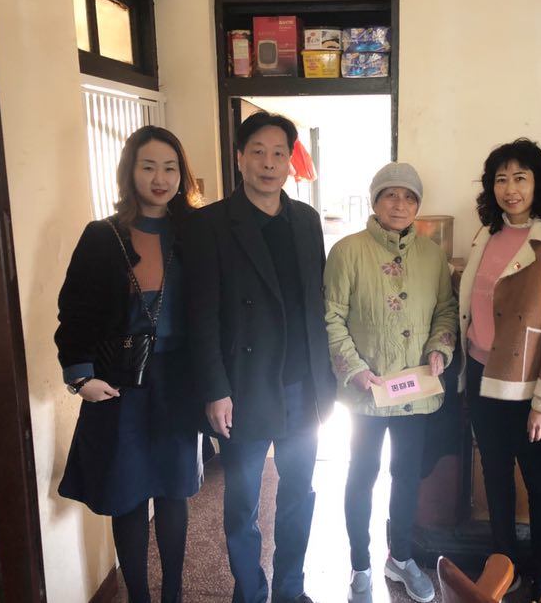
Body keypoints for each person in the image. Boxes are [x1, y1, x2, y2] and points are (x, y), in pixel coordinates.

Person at [181, 111, 335, 603]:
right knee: (243, 502)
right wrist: (215, 389)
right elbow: (201, 316)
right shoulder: (210, 224)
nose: (269, 163)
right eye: (258, 152)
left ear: (290, 161)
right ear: (240, 158)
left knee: (299, 494)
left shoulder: (306, 221)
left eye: (278, 154)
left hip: (302, 385)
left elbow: (315, 304)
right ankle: (249, 592)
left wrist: (330, 377)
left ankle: (290, 589)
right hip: (243, 386)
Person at [55, 126, 204, 603]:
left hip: (176, 381)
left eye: (170, 168)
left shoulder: (195, 234)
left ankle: (173, 595)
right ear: (130, 172)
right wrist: (80, 376)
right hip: (120, 383)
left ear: (182, 175)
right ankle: (138, 596)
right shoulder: (102, 236)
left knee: (175, 491)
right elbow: (75, 309)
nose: (160, 178)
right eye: (149, 167)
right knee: (128, 495)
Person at [324, 162, 457, 603]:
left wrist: (440, 348)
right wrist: (354, 368)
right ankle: (360, 566)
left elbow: (445, 311)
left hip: (416, 392)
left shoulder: (433, 256)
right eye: (390, 195)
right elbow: (331, 317)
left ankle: (400, 557)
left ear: (418, 205)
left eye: (409, 197)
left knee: (406, 475)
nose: (400, 204)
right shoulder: (347, 251)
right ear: (375, 200)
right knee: (361, 473)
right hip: (367, 391)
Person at [458, 139, 541, 600]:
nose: (510, 188)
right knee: (493, 472)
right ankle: (503, 564)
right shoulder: (486, 234)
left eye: (520, 178)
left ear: (538, 183)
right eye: (501, 179)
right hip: (480, 372)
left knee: (538, 479)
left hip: (528, 386)